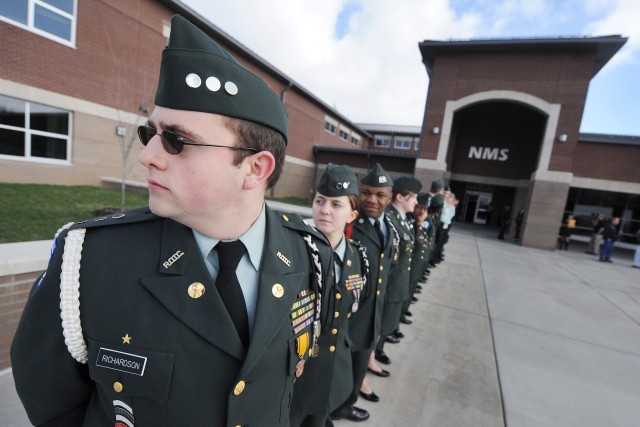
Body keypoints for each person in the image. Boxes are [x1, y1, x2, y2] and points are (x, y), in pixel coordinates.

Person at [11, 15, 334, 427]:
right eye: (153, 133)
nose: (148, 155)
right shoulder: (90, 259)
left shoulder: (310, 256)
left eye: (177, 140)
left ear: (255, 169)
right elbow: (50, 402)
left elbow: (304, 399)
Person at [291, 164, 369, 427]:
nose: (324, 209)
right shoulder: (291, 250)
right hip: (296, 374)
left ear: (352, 214)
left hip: (334, 369)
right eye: (320, 201)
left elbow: (354, 311)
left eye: (336, 205)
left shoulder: (358, 257)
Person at [331, 163, 396, 423]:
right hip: (350, 318)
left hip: (372, 317)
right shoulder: (349, 226)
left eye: (380, 195)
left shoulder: (388, 227)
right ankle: (334, 409)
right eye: (367, 192)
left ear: (389, 198)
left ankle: (346, 406)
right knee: (341, 372)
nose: (372, 199)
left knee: (358, 370)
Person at [375, 176, 421, 364]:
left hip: (400, 281)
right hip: (392, 282)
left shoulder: (403, 220)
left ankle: (380, 347)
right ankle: (376, 351)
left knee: (389, 320)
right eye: (413, 197)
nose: (416, 202)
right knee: (383, 322)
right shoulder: (390, 219)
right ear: (400, 198)